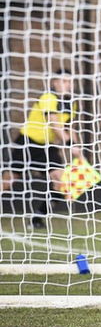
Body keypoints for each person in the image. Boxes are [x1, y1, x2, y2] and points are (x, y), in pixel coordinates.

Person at [2, 68, 81, 228]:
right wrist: (69, 144)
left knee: (62, 181)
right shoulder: (48, 97)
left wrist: (77, 147)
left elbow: (70, 127)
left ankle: (36, 219)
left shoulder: (71, 103)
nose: (67, 85)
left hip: (47, 148)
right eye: (64, 81)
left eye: (70, 81)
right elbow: (54, 125)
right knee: (7, 181)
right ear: (55, 82)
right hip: (27, 143)